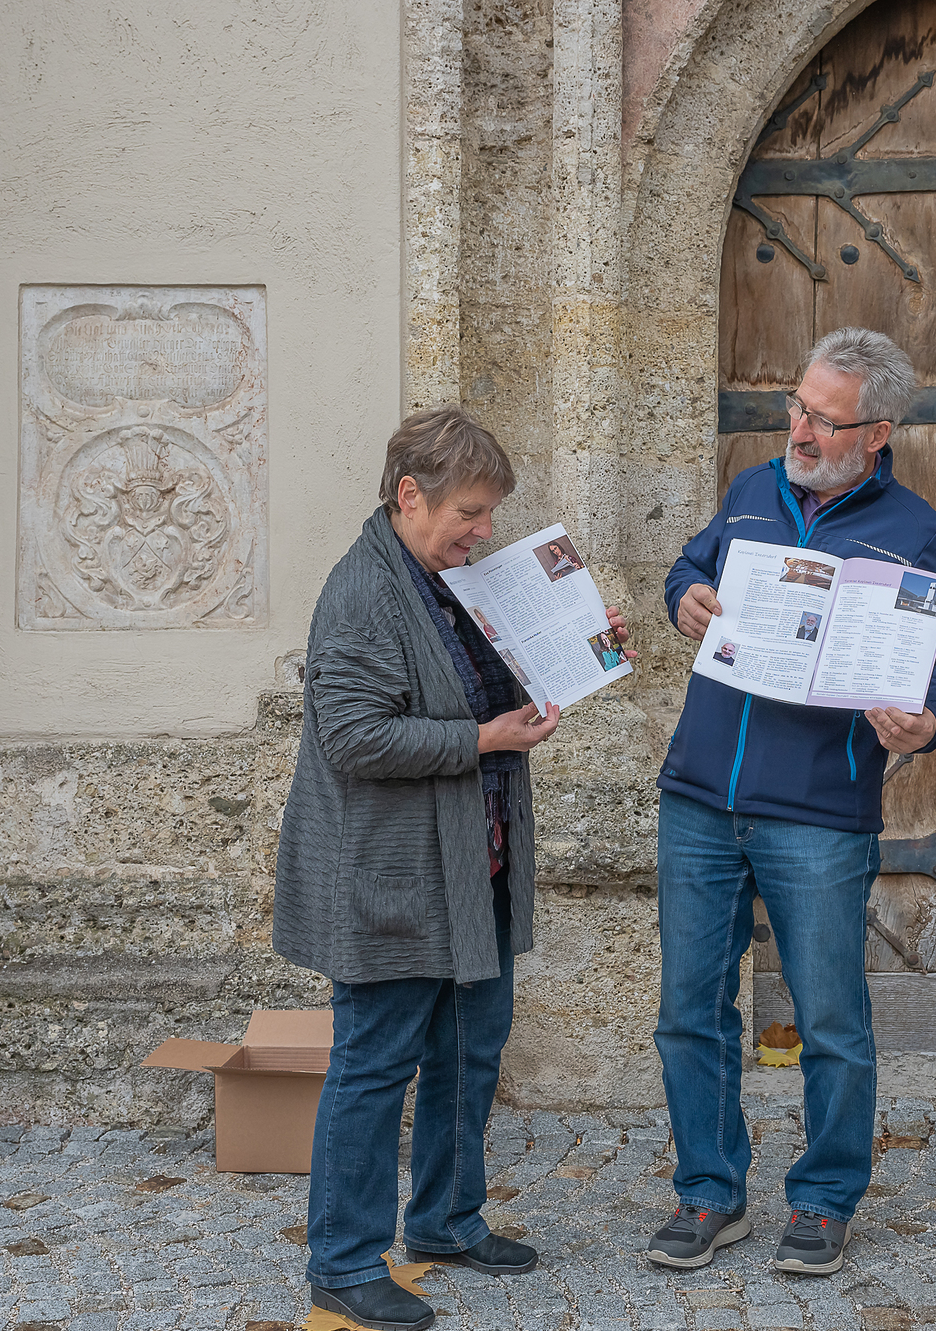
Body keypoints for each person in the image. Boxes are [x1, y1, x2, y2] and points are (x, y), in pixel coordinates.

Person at [274, 406, 633, 1331]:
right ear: (408, 494)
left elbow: (492, 680)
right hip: (394, 880)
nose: (484, 532)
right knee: (375, 1064)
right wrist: (484, 738)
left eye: (490, 515)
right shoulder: (359, 592)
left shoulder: (450, 579)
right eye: (470, 512)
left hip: (477, 871)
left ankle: (443, 1221)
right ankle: (345, 1261)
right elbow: (353, 737)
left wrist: (584, 641)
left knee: (471, 1053)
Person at [650, 327, 936, 1276]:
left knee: (829, 1017)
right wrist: (688, 597)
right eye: (796, 406)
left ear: (877, 432)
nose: (800, 428)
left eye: (824, 419)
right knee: (689, 1009)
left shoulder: (915, 530)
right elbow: (686, 568)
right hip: (701, 796)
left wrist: (927, 722)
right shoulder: (750, 491)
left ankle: (825, 1200)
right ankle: (709, 1190)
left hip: (818, 814)